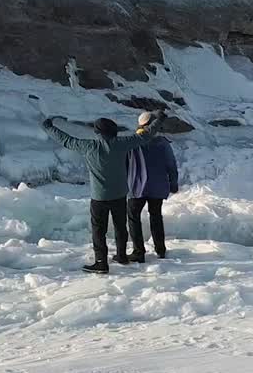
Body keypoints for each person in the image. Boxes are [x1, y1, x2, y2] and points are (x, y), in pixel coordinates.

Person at [42, 111, 166, 274]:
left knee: (98, 230)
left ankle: (101, 262)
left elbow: (66, 140)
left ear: (98, 132)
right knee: (120, 226)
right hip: (120, 195)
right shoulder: (122, 143)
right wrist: (159, 119)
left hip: (99, 197)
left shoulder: (89, 146)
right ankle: (121, 255)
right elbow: (146, 135)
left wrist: (48, 127)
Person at [126, 111, 179, 262]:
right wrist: (173, 183)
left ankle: (138, 252)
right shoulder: (162, 143)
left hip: (137, 187)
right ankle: (160, 250)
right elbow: (171, 164)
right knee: (156, 216)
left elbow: (124, 165)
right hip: (158, 186)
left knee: (133, 217)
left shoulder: (132, 141)